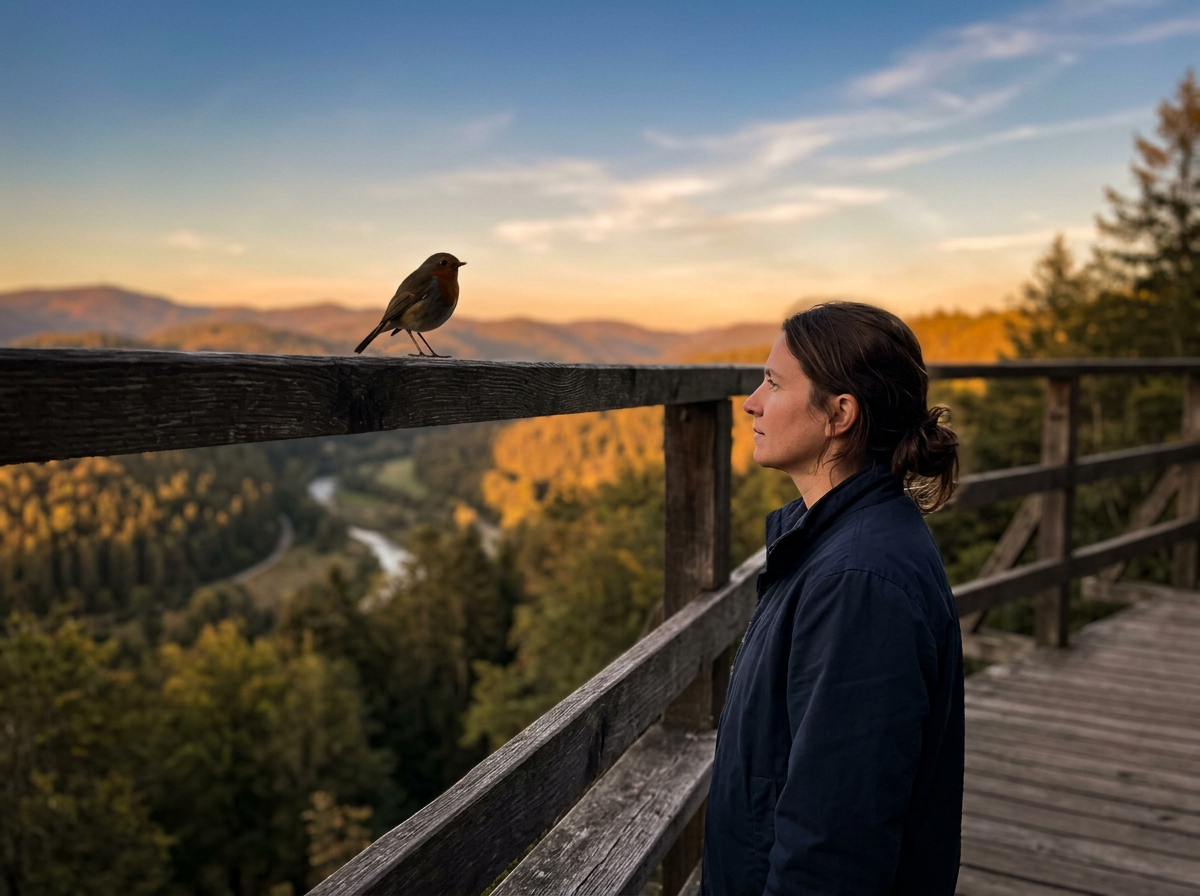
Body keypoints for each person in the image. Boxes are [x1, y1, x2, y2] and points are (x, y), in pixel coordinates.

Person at [702, 302, 964, 896]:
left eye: (773, 382)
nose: (752, 401)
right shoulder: (840, 542)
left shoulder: (859, 582)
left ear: (840, 414)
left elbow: (834, 846)